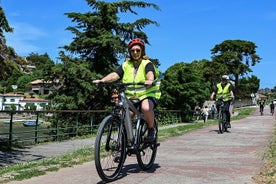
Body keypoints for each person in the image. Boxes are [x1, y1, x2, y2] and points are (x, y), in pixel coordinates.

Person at [93, 38, 161, 142]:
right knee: (124, 117)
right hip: (131, 97)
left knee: (146, 108)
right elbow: (115, 74)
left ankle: (151, 129)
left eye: (138, 50)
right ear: (129, 52)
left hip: (147, 93)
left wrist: (150, 80)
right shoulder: (126, 65)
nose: (135, 52)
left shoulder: (147, 63)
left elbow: (150, 72)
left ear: (142, 51)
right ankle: (122, 146)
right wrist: (102, 80)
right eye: (132, 50)